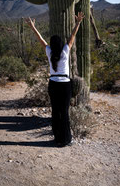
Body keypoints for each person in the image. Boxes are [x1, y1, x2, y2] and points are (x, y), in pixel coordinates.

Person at [26, 12, 85, 147]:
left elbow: (40, 39)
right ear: (60, 44)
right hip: (65, 85)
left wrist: (33, 27)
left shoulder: (49, 52)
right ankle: (66, 139)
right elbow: (72, 36)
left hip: (53, 84)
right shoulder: (65, 51)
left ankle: (57, 138)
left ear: (52, 45)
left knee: (55, 112)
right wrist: (78, 23)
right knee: (64, 113)